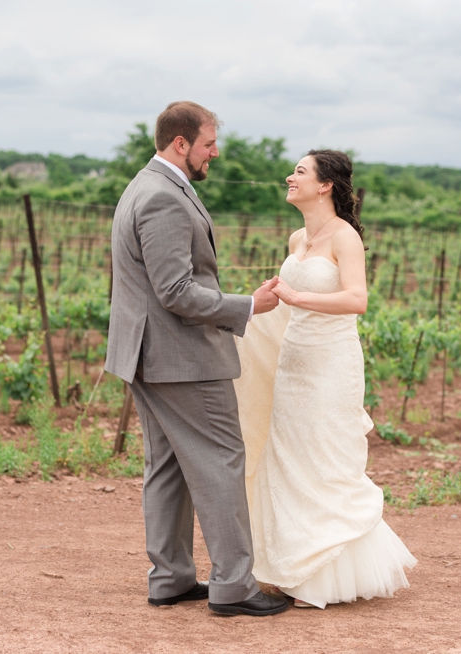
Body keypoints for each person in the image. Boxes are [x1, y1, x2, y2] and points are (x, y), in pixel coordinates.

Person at [105, 101, 290, 616]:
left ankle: (170, 578)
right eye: (209, 144)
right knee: (221, 461)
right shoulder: (163, 197)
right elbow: (177, 290)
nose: (215, 153)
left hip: (148, 355)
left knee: (166, 466)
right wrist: (249, 305)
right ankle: (233, 586)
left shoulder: (143, 186)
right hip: (180, 358)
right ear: (181, 144)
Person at [234, 149, 417, 609]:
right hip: (294, 361)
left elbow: (357, 300)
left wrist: (298, 296)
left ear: (325, 186)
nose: (289, 178)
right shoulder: (298, 237)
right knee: (290, 456)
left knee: (324, 456)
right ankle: (292, 566)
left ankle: (326, 573)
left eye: (299, 172)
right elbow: (285, 299)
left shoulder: (344, 238)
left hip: (331, 364)